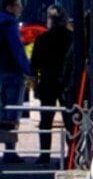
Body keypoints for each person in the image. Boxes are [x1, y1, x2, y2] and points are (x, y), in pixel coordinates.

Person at [26, 8, 81, 155]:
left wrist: (35, 85)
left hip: (47, 82)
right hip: (66, 83)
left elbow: (34, 65)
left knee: (46, 120)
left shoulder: (43, 38)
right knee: (70, 118)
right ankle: (72, 153)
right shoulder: (71, 38)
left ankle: (44, 154)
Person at [0, 5, 30, 164]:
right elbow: (18, 50)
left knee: (4, 111)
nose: (20, 9)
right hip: (13, 72)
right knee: (11, 114)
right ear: (10, 7)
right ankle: (8, 151)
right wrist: (29, 71)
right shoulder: (9, 25)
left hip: (1, 71)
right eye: (18, 5)